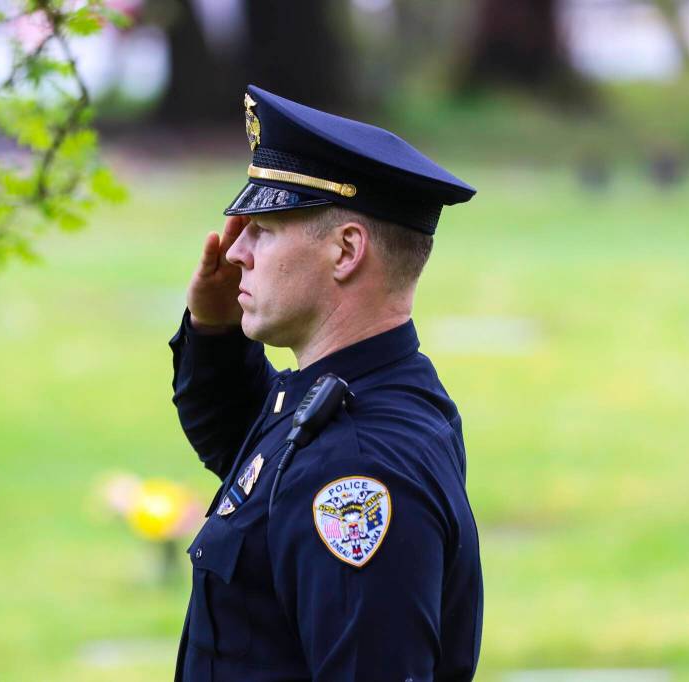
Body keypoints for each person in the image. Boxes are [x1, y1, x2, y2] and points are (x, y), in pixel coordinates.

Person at [168, 85, 483, 682]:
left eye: (263, 229)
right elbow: (252, 463)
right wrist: (215, 331)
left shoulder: (357, 473)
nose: (236, 252)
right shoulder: (369, 391)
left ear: (345, 251)